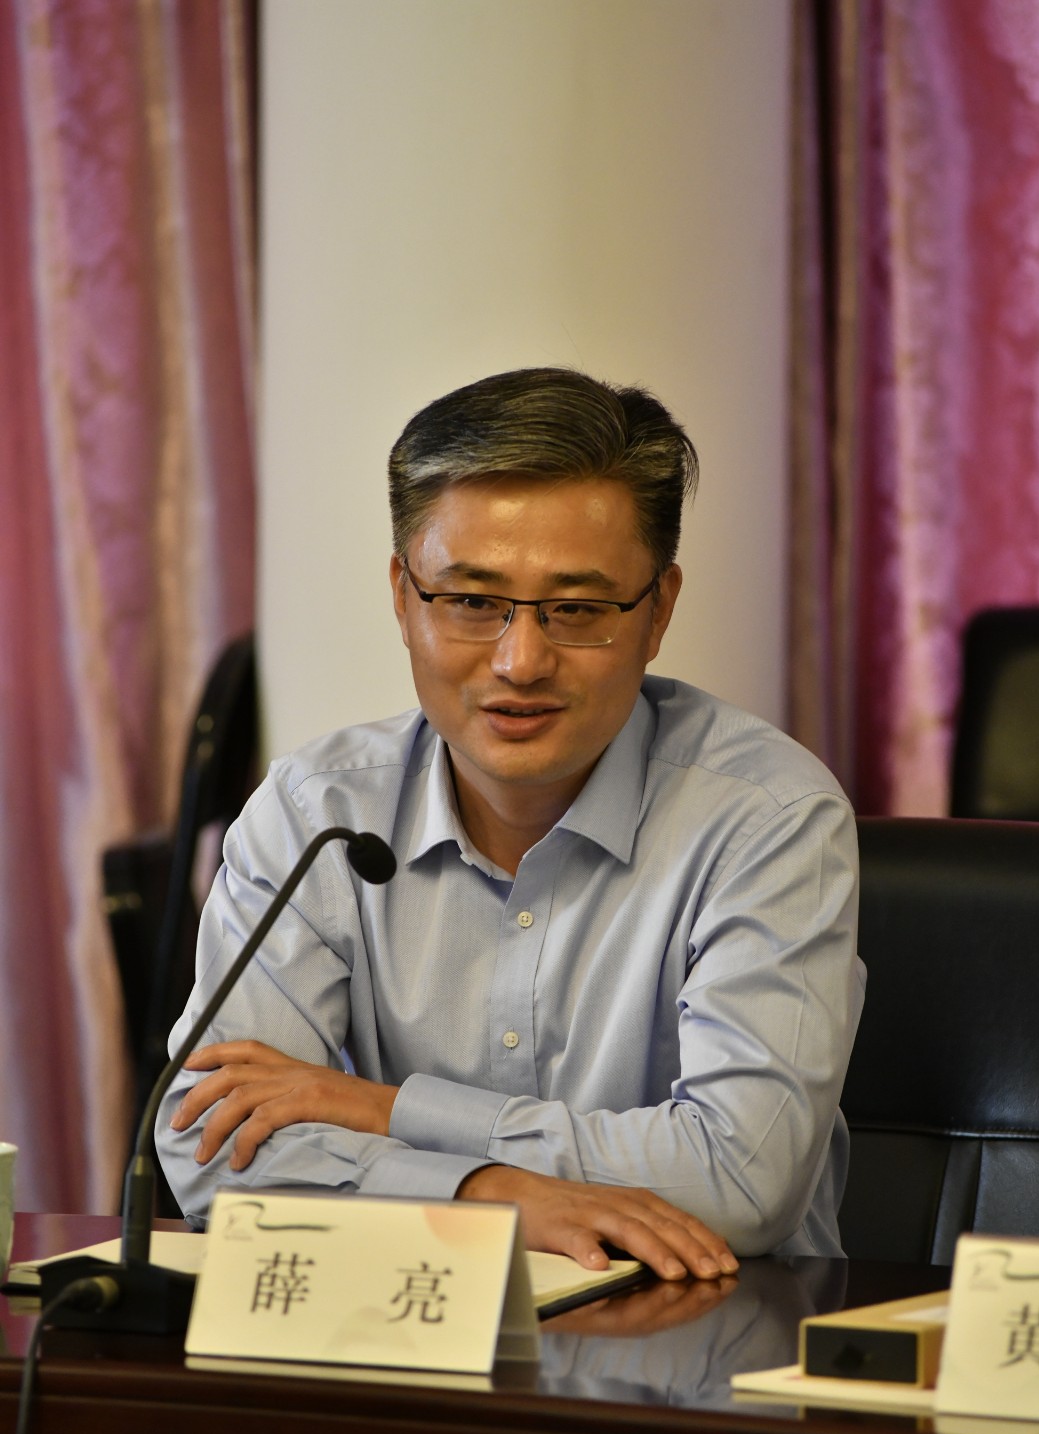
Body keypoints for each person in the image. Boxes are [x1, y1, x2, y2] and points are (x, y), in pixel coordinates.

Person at [157, 367, 864, 1280]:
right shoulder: (315, 812)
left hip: (702, 1342)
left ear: (658, 612)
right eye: (472, 602)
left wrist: (386, 1111)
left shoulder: (766, 819)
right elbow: (210, 1143)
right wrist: (489, 1194)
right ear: (404, 597)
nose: (521, 660)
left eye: (578, 610)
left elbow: (741, 1176)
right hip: (393, 1333)